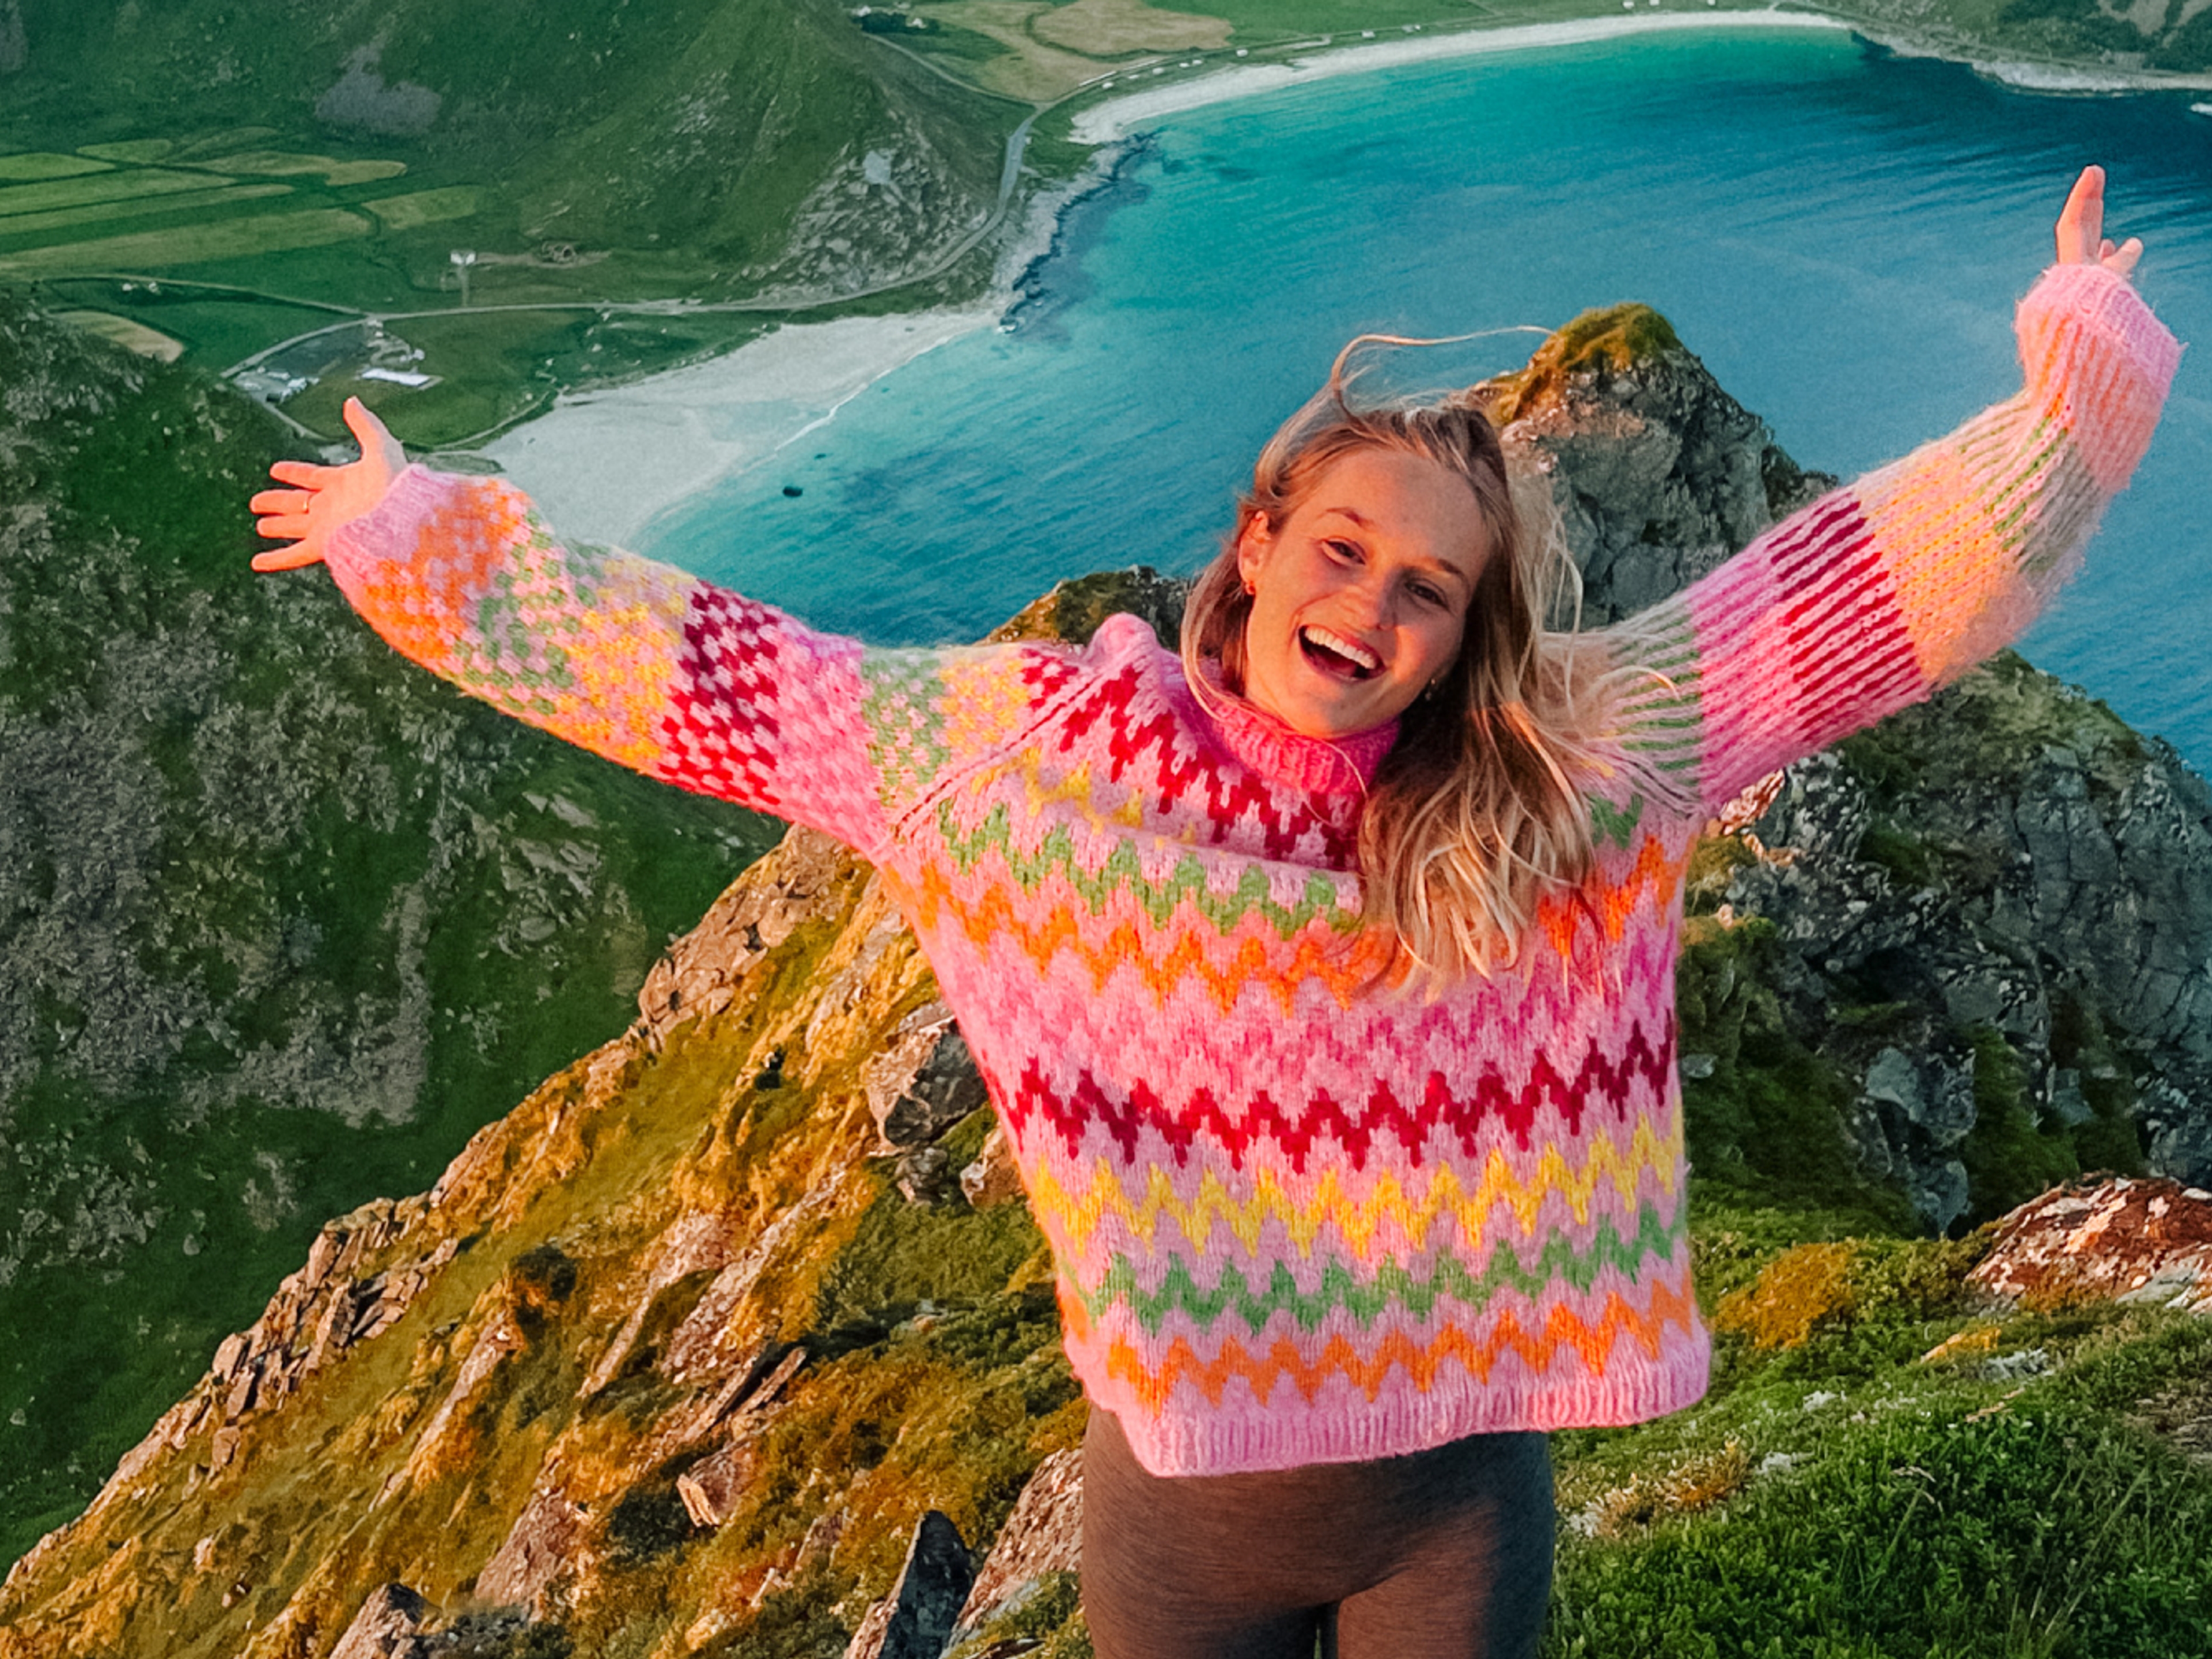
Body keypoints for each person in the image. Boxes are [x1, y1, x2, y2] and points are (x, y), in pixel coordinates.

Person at [251, 168, 2174, 1658]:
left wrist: (2072, 395)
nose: (1378, 604)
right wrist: (425, 547)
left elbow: (1849, 605)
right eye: (1345, 548)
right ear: (1257, 547)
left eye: (1433, 585)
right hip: (1177, 1522)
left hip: (1456, 1512)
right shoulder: (1035, 762)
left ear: (1468, 628)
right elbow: (726, 678)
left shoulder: (1573, 765)